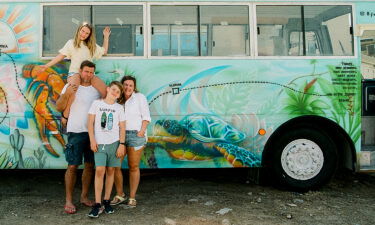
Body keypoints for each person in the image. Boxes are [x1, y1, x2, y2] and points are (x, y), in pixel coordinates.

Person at [41, 23, 110, 126]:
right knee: (73, 89)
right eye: (83, 31)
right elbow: (61, 56)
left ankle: (103, 114)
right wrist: (47, 66)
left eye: (87, 33)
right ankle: (66, 113)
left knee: (105, 90)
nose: (84, 34)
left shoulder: (91, 46)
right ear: (79, 30)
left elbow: (104, 51)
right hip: (75, 73)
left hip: (89, 74)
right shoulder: (71, 43)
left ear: (89, 35)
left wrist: (106, 36)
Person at [56, 60, 101, 214]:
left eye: (91, 72)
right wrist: (67, 94)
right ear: (80, 71)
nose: (88, 74)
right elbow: (59, 106)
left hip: (92, 133)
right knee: (72, 166)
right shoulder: (71, 87)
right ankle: (68, 200)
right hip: (75, 132)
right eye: (86, 71)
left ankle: (83, 197)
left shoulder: (96, 90)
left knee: (89, 166)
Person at [110, 75, 151, 207]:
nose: (128, 87)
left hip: (135, 135)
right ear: (122, 86)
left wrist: (141, 132)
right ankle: (120, 194)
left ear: (134, 87)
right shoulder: (117, 100)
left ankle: (132, 197)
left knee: (133, 167)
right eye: (126, 84)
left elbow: (146, 116)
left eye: (131, 85)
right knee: (116, 166)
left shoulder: (140, 97)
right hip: (119, 136)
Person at [87, 81, 126, 218]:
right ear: (108, 89)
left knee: (111, 171)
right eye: (113, 89)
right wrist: (92, 139)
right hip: (99, 143)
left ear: (119, 96)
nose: (115, 92)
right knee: (99, 170)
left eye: (118, 92)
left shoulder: (119, 108)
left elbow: (122, 127)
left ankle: (106, 200)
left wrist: (122, 144)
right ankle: (97, 204)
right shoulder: (97, 104)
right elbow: (90, 123)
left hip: (114, 143)